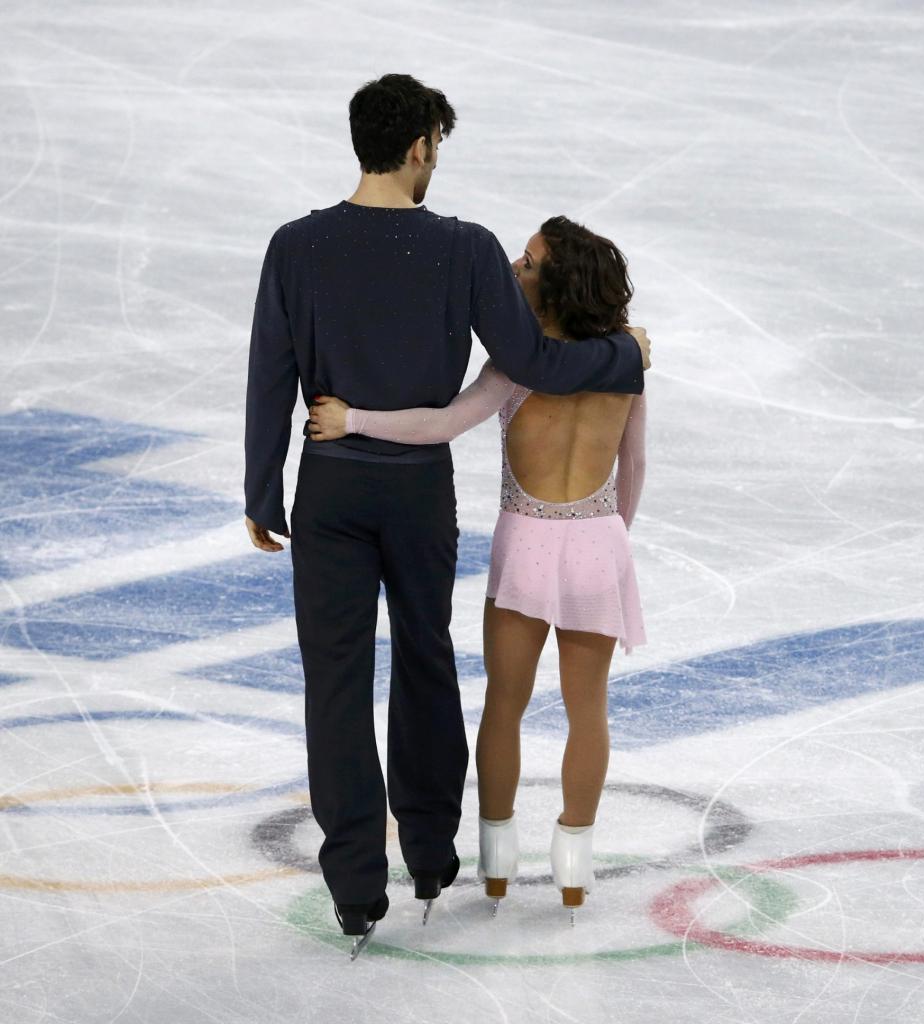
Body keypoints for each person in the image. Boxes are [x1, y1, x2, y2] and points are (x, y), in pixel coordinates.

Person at [243, 73, 651, 958]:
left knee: (335, 682)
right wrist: (624, 355)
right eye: (438, 146)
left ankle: (356, 888)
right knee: (424, 660)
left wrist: (261, 489)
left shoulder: (296, 245)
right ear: (421, 145)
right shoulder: (464, 248)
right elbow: (536, 361)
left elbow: (270, 368)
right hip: (418, 492)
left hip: (330, 486)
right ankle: (429, 856)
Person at [307, 214, 647, 922]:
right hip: (598, 544)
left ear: (556, 285)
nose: (514, 270)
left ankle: (496, 862)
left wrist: (354, 420)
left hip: (526, 549)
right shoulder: (626, 363)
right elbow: (634, 464)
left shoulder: (513, 368)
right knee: (589, 710)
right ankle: (573, 866)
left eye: (528, 263)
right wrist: (609, 541)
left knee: (505, 704)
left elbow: (440, 424)